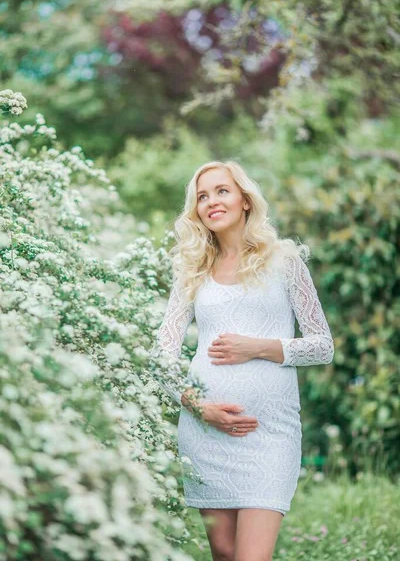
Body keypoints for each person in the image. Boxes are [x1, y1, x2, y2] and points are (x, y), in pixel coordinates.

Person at [151, 160, 334, 561]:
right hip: (205, 434)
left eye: (221, 191)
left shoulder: (285, 262)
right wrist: (199, 407)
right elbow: (159, 359)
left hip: (270, 433)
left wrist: (259, 347)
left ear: (245, 200)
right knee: (225, 554)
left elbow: (323, 345)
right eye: (202, 196)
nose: (211, 201)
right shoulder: (192, 272)